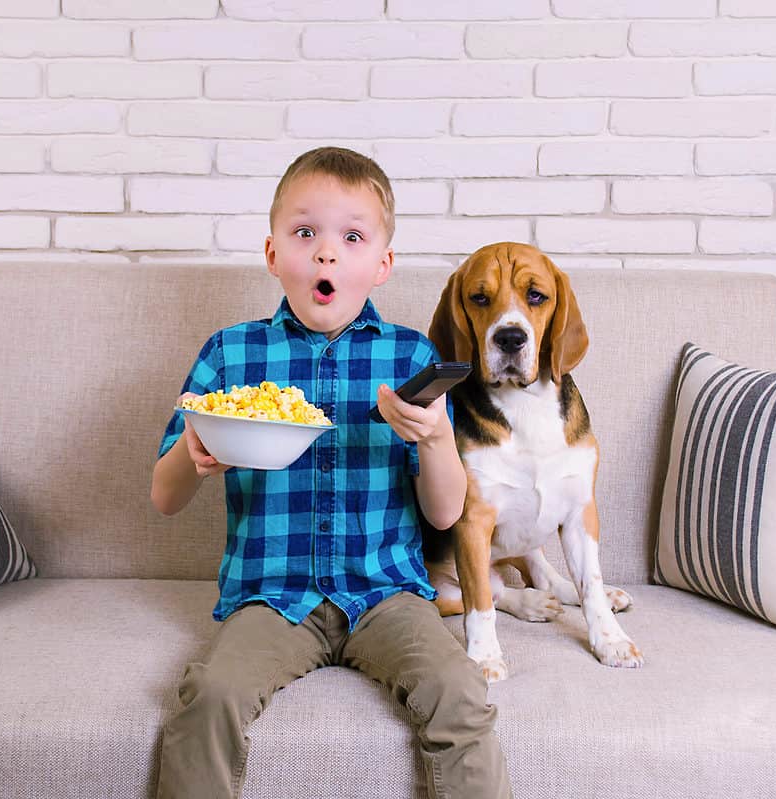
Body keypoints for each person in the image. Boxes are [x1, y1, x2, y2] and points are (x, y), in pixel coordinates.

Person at [150, 146, 511, 799]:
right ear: (272, 253)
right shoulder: (231, 352)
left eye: (351, 236)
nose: (326, 253)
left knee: (459, 691)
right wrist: (194, 450)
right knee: (210, 693)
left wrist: (433, 439)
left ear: (382, 264)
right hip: (272, 595)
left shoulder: (410, 354)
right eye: (304, 232)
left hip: (387, 593)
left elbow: (445, 512)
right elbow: (164, 495)